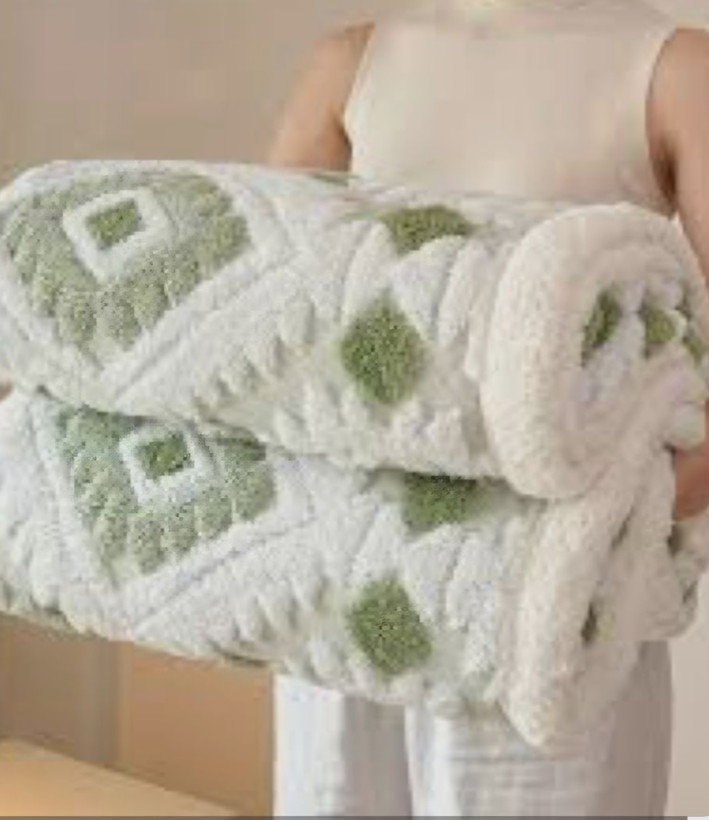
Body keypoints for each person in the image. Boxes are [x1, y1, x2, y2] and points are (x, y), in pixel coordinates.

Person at [266, 0, 709, 814]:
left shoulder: (673, 69)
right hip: (350, 592)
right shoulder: (350, 65)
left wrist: (618, 527)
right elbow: (273, 330)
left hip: (551, 613)